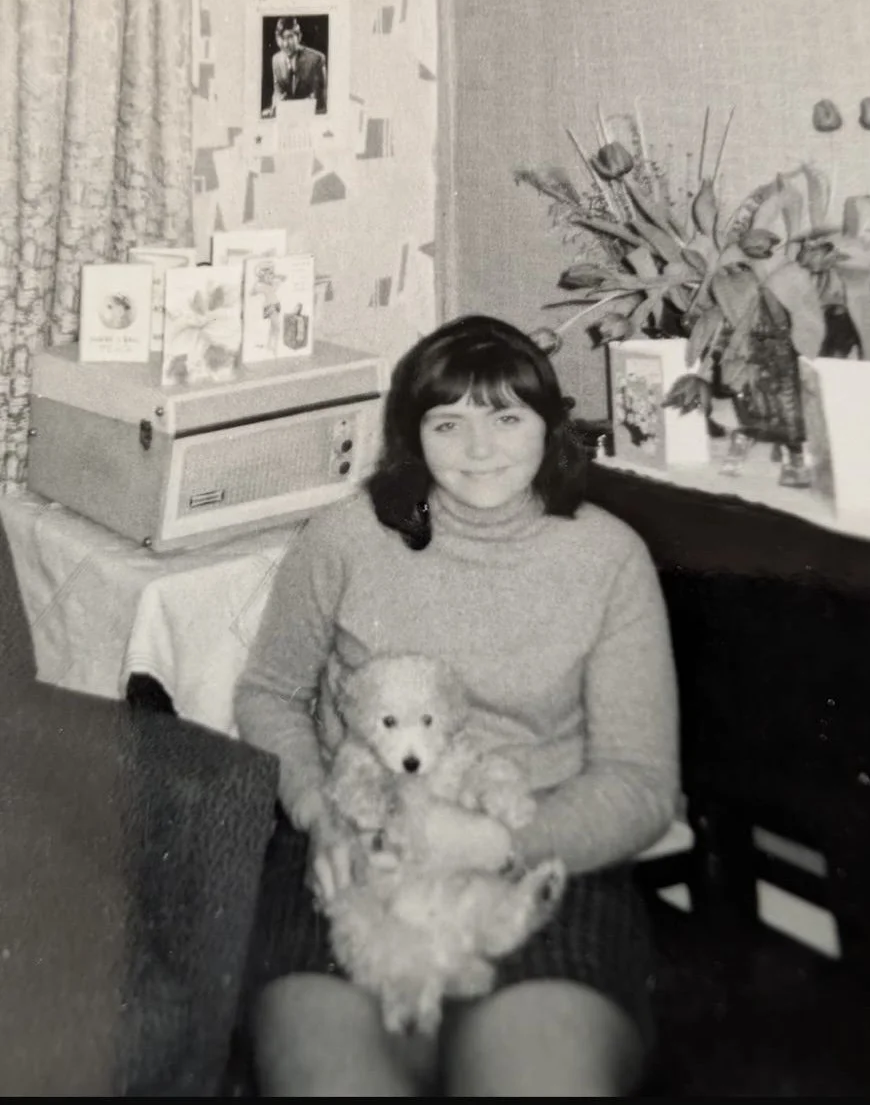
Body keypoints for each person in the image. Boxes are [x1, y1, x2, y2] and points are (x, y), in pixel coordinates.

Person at [233, 313, 680, 1096]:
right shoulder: (342, 538)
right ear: (413, 434)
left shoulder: (608, 558)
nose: (479, 449)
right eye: (449, 422)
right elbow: (269, 694)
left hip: (544, 856)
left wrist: (493, 842)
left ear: (549, 427)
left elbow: (640, 783)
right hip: (357, 854)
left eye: (506, 417)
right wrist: (319, 814)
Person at [267, 17, 326, 114]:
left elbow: (320, 102)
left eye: (290, 37)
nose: (285, 44)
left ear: (299, 37)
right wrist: (276, 102)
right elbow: (277, 91)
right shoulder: (276, 60)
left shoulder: (316, 60)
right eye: (281, 38)